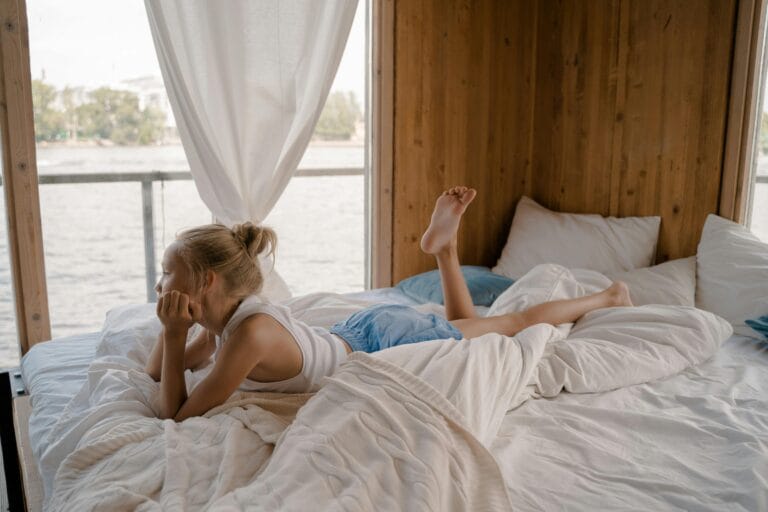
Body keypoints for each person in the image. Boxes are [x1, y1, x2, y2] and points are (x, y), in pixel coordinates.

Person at [146, 186, 632, 421]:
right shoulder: (224, 324)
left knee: (511, 321)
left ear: (206, 281)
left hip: (381, 340)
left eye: (168, 272)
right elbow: (156, 374)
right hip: (362, 330)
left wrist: (172, 335)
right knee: (465, 322)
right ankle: (444, 251)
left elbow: (177, 416)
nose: (159, 282)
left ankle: (610, 295)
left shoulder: (248, 335)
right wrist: (175, 333)